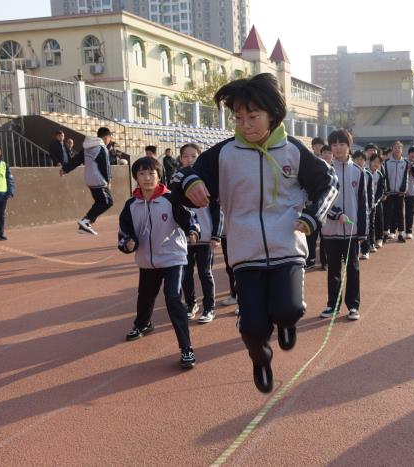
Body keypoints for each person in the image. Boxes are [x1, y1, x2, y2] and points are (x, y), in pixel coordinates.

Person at [171, 73, 337, 393]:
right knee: (252, 327)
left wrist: (313, 217)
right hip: (245, 251)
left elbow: (328, 182)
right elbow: (181, 177)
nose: (245, 125)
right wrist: (191, 184)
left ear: (272, 114)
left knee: (289, 309)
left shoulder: (292, 150)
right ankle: (261, 358)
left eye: (253, 116)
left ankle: (286, 322)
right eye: (238, 117)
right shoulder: (224, 154)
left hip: (286, 244)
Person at [118, 156, 199, 369]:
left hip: (173, 258)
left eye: (151, 173)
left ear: (159, 176)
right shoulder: (131, 205)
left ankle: (186, 348)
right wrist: (128, 243)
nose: (147, 178)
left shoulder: (171, 199)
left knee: (173, 297)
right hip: (147, 261)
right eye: (142, 174)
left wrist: (192, 231)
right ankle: (142, 324)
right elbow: (124, 232)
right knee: (145, 296)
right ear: (136, 177)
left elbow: (189, 218)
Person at [320, 129, 366, 320]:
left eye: (342, 144)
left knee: (353, 269)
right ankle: (333, 305)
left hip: (352, 231)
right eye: (334, 145)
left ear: (349, 146)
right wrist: (336, 214)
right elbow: (320, 201)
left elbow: (363, 204)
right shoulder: (325, 172)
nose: (338, 148)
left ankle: (353, 306)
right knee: (333, 270)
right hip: (330, 230)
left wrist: (363, 232)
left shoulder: (358, 171)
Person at [178, 143, 222, 324]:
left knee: (205, 273)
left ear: (200, 157)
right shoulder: (177, 181)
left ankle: (209, 307)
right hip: (185, 238)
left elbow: (217, 211)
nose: (189, 159)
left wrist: (216, 235)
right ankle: (191, 304)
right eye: (185, 156)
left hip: (205, 238)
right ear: (180, 159)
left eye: (193, 156)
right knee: (186, 273)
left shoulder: (207, 180)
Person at [61, 127, 114, 235]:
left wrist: (65, 169)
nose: (110, 141)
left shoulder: (88, 147)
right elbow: (105, 166)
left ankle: (85, 224)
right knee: (107, 202)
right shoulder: (101, 148)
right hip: (98, 179)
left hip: (89, 179)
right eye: (110, 138)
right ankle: (85, 221)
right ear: (106, 137)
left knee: (100, 202)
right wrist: (108, 180)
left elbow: (77, 159)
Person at [383, 141, 409, 242]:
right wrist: (386, 190)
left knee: (400, 213)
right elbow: (385, 177)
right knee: (387, 213)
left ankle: (401, 234)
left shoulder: (405, 162)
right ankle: (386, 233)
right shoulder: (387, 162)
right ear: (392, 149)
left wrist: (404, 190)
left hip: (400, 193)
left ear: (402, 150)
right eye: (395, 147)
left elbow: (405, 177)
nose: (397, 149)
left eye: (399, 147)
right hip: (389, 193)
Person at [353, 150, 373, 259]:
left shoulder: (368, 175)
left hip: (364, 208)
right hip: (353, 207)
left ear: (365, 161)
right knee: (353, 229)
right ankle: (355, 251)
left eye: (361, 159)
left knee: (365, 229)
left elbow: (370, 192)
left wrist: (369, 206)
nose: (359, 161)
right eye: (357, 159)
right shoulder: (350, 173)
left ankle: (365, 250)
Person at [368, 153, 386, 250]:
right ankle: (365, 242)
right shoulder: (364, 172)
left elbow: (380, 191)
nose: (376, 164)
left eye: (378, 162)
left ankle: (378, 239)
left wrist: (374, 202)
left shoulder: (380, 175)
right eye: (374, 161)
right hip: (364, 202)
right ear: (370, 162)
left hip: (375, 202)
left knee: (377, 219)